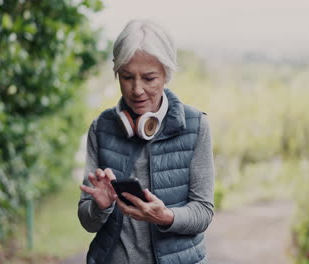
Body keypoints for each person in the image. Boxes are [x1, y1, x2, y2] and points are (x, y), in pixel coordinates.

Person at [77, 19, 215, 264]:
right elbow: (88, 222)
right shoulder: (101, 128)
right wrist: (100, 207)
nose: (137, 90)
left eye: (149, 78)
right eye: (127, 77)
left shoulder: (196, 126)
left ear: (166, 75)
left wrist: (166, 216)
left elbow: (203, 212)